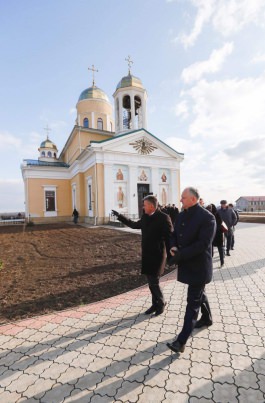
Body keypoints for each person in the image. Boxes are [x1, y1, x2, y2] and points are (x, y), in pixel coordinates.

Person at [166, 187, 216, 353]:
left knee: (192, 303)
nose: (181, 200)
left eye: (183, 197)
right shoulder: (182, 214)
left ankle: (181, 341)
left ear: (193, 199)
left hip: (199, 267)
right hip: (187, 263)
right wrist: (172, 246)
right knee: (199, 294)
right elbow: (173, 233)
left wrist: (179, 254)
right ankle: (207, 318)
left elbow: (202, 245)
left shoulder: (207, 218)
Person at [112, 195, 173, 316]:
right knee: (150, 282)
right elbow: (134, 225)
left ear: (151, 206)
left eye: (144, 205)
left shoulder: (164, 218)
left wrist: (172, 256)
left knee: (154, 282)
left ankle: (161, 303)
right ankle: (155, 304)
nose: (142, 207)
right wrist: (120, 216)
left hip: (158, 255)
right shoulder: (145, 217)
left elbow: (170, 237)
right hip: (147, 254)